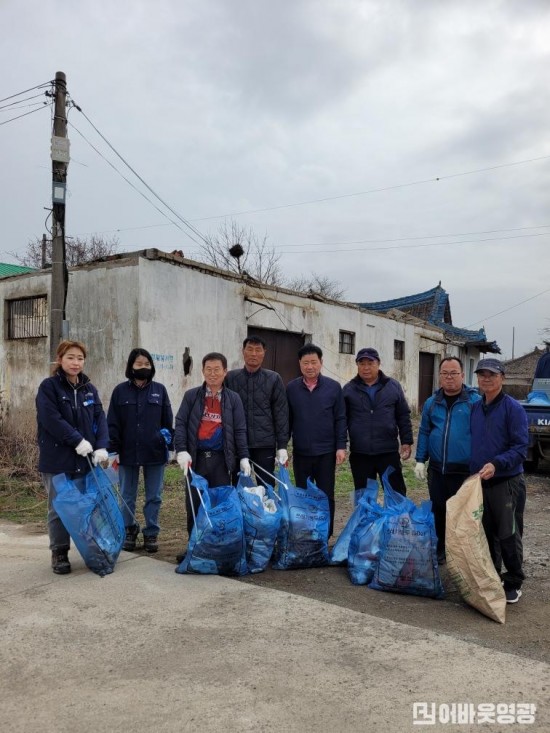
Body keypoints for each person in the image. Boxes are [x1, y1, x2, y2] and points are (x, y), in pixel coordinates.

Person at [36, 340, 109, 575]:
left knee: (85, 506)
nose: (75, 362)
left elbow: (100, 418)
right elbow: (50, 419)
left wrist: (101, 447)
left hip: (84, 460)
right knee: (59, 507)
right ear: (60, 359)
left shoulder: (89, 389)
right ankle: (59, 552)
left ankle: (89, 549)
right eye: (70, 357)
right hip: (57, 459)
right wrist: (76, 440)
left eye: (79, 358)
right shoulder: (49, 387)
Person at [470, 358, 528, 604]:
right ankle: (492, 576)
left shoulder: (513, 408)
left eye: (492, 375)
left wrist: (497, 463)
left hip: (506, 480)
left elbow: (520, 448)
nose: (486, 379)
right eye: (482, 374)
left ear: (502, 378)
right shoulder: (476, 407)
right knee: (486, 531)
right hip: (481, 481)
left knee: (508, 533)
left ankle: (513, 581)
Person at [174, 352, 251, 540]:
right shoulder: (191, 396)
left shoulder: (233, 399)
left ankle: (218, 547)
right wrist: (182, 451)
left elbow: (239, 429)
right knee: (194, 503)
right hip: (197, 459)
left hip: (222, 461)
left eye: (217, 369)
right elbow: (181, 423)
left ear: (225, 372)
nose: (213, 373)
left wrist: (243, 457)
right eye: (208, 369)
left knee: (220, 504)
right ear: (202, 371)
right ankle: (194, 546)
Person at [414, 356, 481, 563]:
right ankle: (441, 549)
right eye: (445, 373)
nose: (449, 377)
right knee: (439, 510)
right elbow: (425, 431)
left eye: (454, 373)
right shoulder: (432, 403)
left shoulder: (474, 402)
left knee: (463, 514)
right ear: (439, 376)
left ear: (463, 375)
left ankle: (461, 553)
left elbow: (482, 434)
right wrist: (419, 459)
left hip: (464, 470)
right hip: (437, 469)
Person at [107, 348, 173, 554]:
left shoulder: (160, 390)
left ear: (151, 367)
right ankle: (129, 530)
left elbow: (167, 420)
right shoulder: (120, 391)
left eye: (147, 364)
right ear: (131, 367)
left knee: (154, 495)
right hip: (127, 452)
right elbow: (113, 423)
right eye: (139, 364)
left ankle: (151, 532)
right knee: (127, 495)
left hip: (154, 452)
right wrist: (112, 450)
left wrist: (169, 446)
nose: (143, 367)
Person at [286, 344, 347, 537]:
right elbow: (287, 419)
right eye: (306, 363)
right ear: (300, 364)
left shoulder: (333, 387)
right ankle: (305, 535)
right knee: (303, 495)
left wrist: (340, 446)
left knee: (325, 495)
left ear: (321, 363)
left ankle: (325, 534)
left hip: (326, 452)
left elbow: (340, 418)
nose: (310, 366)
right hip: (301, 452)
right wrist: (282, 447)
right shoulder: (292, 388)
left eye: (314, 362)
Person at [343, 347, 413, 496]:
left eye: (370, 363)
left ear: (378, 364)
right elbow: (342, 420)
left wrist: (406, 441)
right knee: (364, 498)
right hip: (360, 453)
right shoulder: (349, 389)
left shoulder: (393, 386)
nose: (366, 367)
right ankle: (366, 520)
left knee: (396, 494)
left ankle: (397, 519)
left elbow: (403, 415)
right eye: (362, 363)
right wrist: (341, 445)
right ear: (357, 366)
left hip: (388, 451)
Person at [225, 336, 289, 485]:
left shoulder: (274, 379)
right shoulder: (231, 378)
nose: (253, 354)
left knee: (266, 486)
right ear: (243, 351)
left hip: (264, 444)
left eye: (258, 350)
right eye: (250, 349)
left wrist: (282, 446)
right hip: (237, 444)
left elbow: (281, 414)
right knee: (238, 485)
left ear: (264, 353)